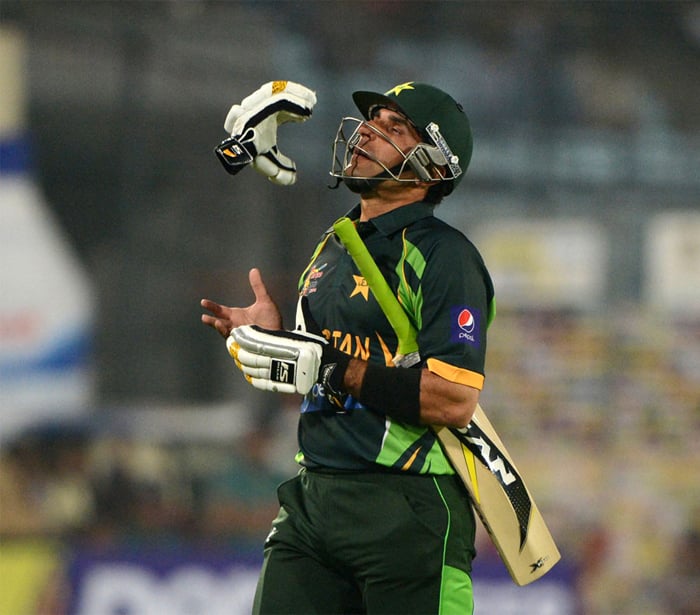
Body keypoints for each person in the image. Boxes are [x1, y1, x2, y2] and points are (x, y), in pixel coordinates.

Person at [201, 81, 494, 615]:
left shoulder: (446, 257)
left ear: (432, 163)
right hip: (313, 495)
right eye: (372, 120)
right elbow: (319, 365)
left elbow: (453, 399)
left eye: (393, 128)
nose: (367, 132)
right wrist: (273, 340)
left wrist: (336, 370)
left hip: (406, 507)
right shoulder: (334, 242)